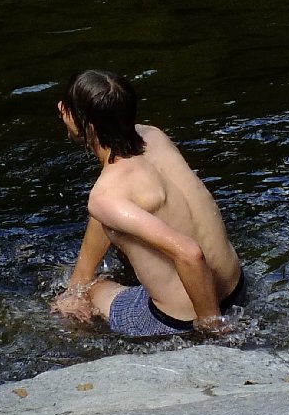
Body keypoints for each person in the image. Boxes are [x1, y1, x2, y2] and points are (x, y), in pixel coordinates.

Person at [50, 69, 244, 339]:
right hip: (236, 288)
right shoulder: (153, 136)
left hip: (183, 318)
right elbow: (107, 212)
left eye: (67, 108)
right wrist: (78, 280)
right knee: (94, 267)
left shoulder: (106, 195)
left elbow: (190, 254)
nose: (61, 110)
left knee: (92, 291)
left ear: (88, 126)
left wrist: (213, 328)